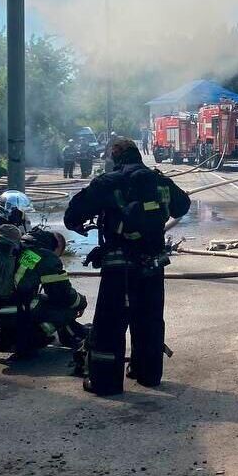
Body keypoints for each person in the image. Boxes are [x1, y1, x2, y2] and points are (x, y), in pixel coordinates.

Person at [63, 138, 189, 395]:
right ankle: (148, 374)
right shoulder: (158, 180)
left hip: (118, 265)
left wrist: (82, 223)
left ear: (115, 155)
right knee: (149, 319)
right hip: (153, 264)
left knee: (110, 323)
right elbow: (182, 206)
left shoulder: (107, 182)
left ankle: (105, 383)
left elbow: (71, 215)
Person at [0, 222, 87, 358]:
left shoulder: (14, 247)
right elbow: (63, 294)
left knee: (28, 300)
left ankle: (4, 340)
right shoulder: (44, 256)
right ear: (55, 247)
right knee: (65, 308)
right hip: (12, 310)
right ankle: (31, 341)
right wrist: (81, 303)